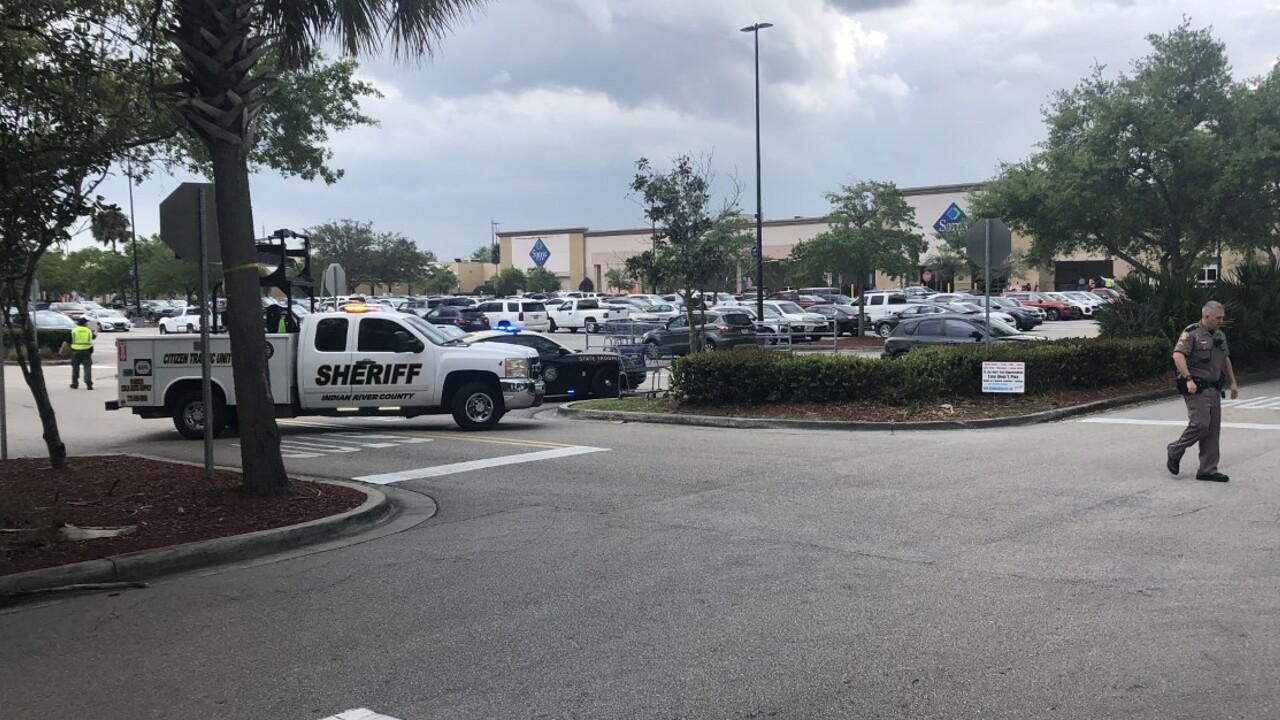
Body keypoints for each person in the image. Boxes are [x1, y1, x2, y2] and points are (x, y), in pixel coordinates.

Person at [1167, 300, 1238, 482]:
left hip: (1214, 388)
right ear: (1206, 316)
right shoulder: (1192, 333)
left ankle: (1207, 470)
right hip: (1195, 388)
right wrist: (1188, 379)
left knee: (1213, 430)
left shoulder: (1220, 335)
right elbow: (1177, 355)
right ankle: (1175, 449)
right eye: (1218, 318)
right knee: (1200, 424)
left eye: (1222, 317)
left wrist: (1233, 382)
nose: (1221, 321)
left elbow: (1225, 359)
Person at [69, 315, 96, 390]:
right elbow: (93, 337)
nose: (87, 323)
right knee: (87, 368)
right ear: (84, 323)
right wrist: (97, 331)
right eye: (86, 322)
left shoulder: (74, 331)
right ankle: (88, 383)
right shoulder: (88, 331)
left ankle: (75, 384)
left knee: (75, 368)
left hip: (75, 352)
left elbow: (69, 340)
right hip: (86, 352)